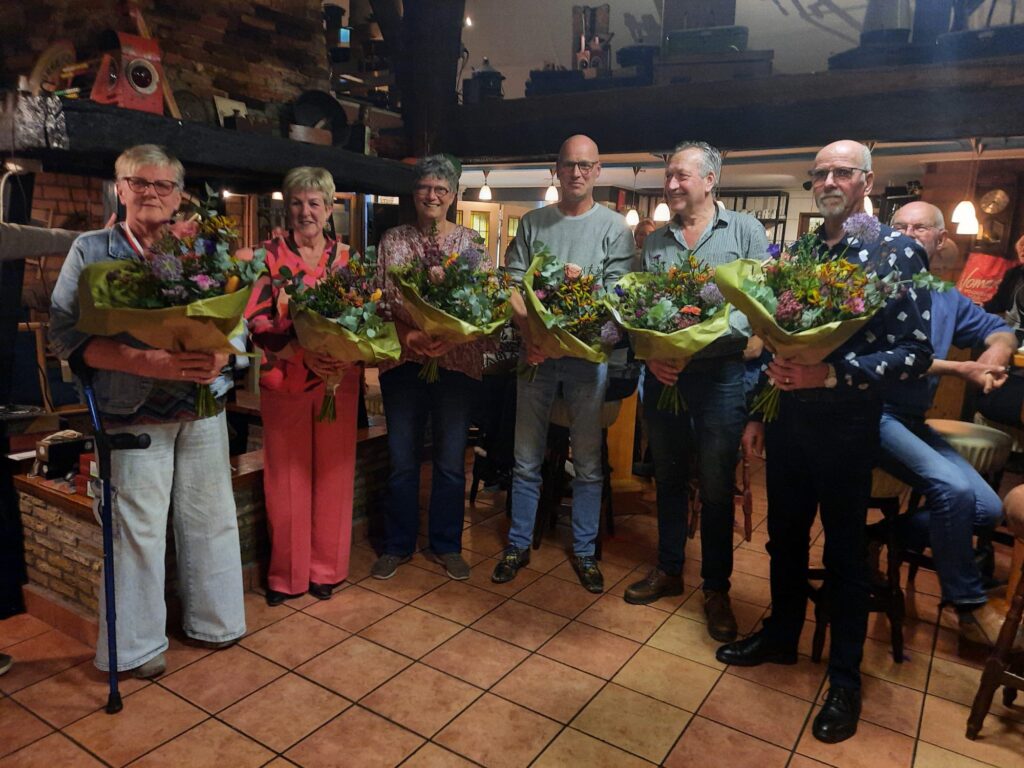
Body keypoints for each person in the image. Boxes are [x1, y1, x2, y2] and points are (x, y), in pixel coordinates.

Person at [716, 140, 934, 744]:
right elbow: (777, 341)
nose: (830, 180)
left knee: (843, 553)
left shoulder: (896, 252)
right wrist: (760, 413)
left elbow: (917, 355)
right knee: (783, 536)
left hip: (846, 422)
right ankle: (783, 636)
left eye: (843, 171)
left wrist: (833, 373)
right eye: (821, 174)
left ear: (868, 181)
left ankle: (845, 678)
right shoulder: (803, 252)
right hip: (788, 419)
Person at [49, 144, 246, 679]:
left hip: (203, 407)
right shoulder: (91, 250)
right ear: (120, 188)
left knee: (211, 520)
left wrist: (220, 356)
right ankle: (135, 648)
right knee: (135, 530)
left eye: (163, 185)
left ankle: (215, 621)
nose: (151, 193)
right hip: (130, 409)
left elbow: (237, 323)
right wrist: (149, 360)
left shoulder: (203, 249)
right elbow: (66, 336)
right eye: (140, 183)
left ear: (179, 195)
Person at [622, 141, 768, 643]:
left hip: (722, 378)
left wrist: (702, 340)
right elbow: (643, 308)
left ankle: (717, 588)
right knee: (668, 477)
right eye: (668, 175)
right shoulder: (657, 241)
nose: (671, 184)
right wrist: (654, 351)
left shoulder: (746, 230)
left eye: (681, 175)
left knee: (715, 485)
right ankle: (667, 569)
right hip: (665, 377)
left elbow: (756, 302)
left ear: (710, 180)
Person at [492, 134, 636, 593]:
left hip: (585, 362)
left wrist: (559, 342)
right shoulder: (533, 223)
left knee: (590, 463)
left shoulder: (616, 228)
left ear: (597, 171)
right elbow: (512, 288)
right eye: (568, 165)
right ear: (557, 169)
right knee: (525, 459)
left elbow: (616, 298)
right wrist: (536, 337)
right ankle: (518, 544)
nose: (576, 173)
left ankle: (587, 551)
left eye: (585, 165)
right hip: (534, 356)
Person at [879, 201, 1014, 646]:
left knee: (988, 509)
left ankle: (877, 536)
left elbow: (1000, 330)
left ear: (940, 241)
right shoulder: (872, 288)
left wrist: (992, 357)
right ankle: (968, 604)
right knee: (952, 490)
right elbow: (890, 362)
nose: (909, 233)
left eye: (920, 227)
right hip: (872, 414)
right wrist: (961, 369)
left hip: (913, 419)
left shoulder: (945, 296)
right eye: (899, 226)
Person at [246, 167, 359, 606]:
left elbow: (366, 318)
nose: (305, 211)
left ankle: (326, 570)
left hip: (337, 381)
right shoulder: (268, 257)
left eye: (314, 203)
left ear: (330, 209)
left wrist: (345, 351)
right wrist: (300, 351)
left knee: (333, 475)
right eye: (296, 202)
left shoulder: (347, 260)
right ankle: (286, 576)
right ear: (286, 208)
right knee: (286, 479)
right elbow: (256, 319)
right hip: (286, 380)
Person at [371, 154, 486, 581]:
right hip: (404, 362)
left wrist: (453, 336)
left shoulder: (472, 244)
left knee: (451, 461)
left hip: (455, 365)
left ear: (453, 195)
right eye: (424, 187)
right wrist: (411, 336)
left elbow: (485, 308)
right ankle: (397, 545)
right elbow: (381, 304)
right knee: (402, 459)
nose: (432, 195)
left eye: (441, 188)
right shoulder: (393, 240)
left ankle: (447, 544)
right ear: (413, 192)